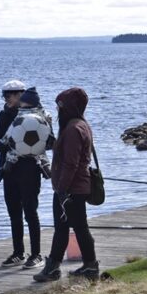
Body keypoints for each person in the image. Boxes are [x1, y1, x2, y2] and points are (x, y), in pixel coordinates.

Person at [34, 87, 99, 282]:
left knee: (64, 229)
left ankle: (54, 267)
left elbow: (71, 163)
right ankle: (89, 265)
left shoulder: (72, 129)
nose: (58, 110)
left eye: (60, 106)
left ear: (69, 107)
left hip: (70, 189)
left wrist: (62, 189)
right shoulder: (81, 124)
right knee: (79, 227)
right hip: (77, 186)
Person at [0, 86, 54, 269]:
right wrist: (13, 141)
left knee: (30, 212)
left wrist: (27, 149)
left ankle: (36, 255)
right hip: (9, 171)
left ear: (22, 96)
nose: (8, 99)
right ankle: (18, 253)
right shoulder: (5, 116)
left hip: (30, 169)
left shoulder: (42, 117)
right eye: (5, 95)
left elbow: (50, 142)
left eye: (12, 95)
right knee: (14, 213)